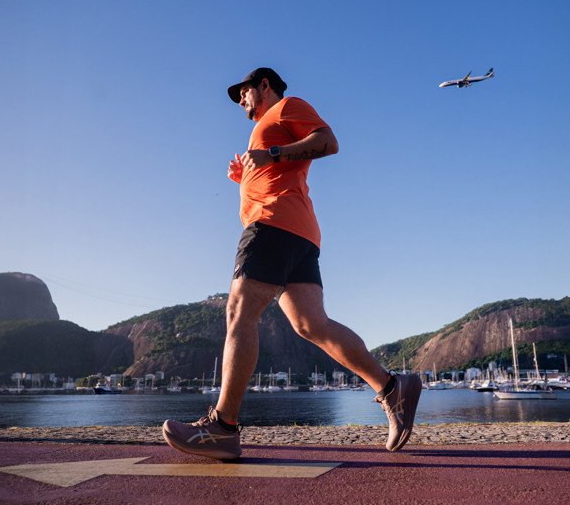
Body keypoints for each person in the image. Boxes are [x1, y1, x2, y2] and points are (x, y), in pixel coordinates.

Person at [162, 68, 421, 460]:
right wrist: (246, 176)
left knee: (239, 311)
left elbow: (328, 142)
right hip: (299, 232)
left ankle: (223, 427)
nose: (241, 101)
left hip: (272, 225)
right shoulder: (267, 126)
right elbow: (281, 172)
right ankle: (391, 387)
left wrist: (271, 154)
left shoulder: (286, 107)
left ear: (264, 85)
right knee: (310, 324)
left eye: (244, 92)